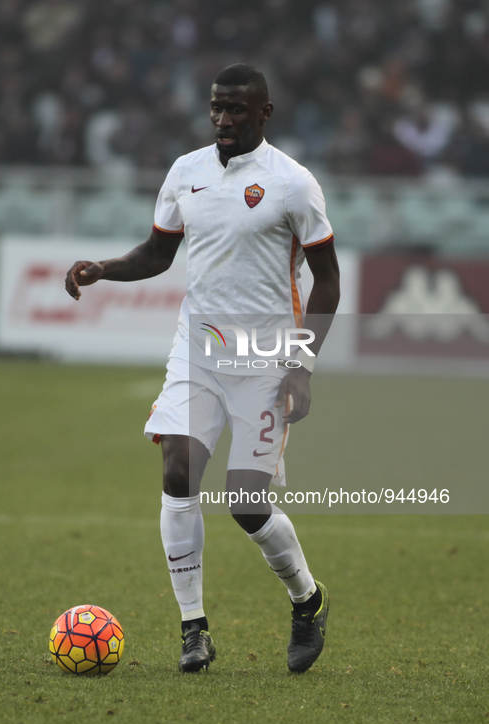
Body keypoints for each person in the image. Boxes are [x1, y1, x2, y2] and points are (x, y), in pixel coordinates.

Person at [65, 64, 340, 675]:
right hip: (199, 351)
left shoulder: (293, 184)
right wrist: (104, 268)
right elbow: (159, 253)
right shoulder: (185, 172)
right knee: (177, 468)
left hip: (266, 363)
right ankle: (194, 629)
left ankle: (308, 598)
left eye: (237, 110)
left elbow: (328, 279)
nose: (222, 118)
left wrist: (302, 364)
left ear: (264, 113)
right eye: (217, 107)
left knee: (246, 502)